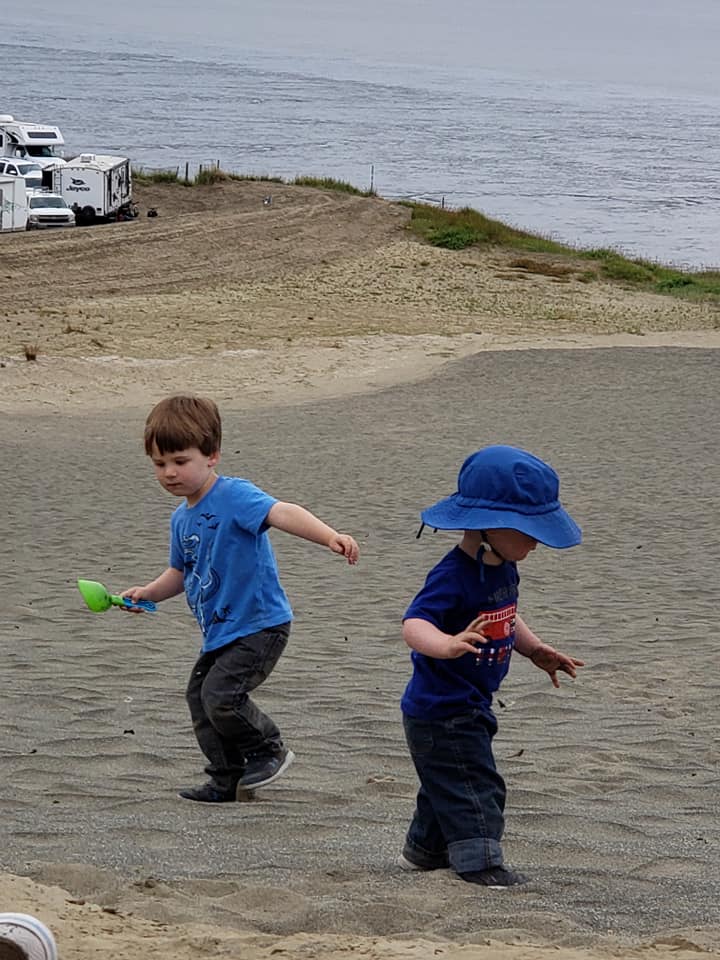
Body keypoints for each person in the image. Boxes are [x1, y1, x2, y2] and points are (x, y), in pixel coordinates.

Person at [122, 394, 359, 803]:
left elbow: (282, 512)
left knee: (222, 696)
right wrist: (148, 593)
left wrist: (329, 537)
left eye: (180, 461)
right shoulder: (181, 518)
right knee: (200, 699)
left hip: (260, 623)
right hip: (220, 631)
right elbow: (181, 572)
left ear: (212, 455)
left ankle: (268, 748)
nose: (169, 473)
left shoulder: (234, 496)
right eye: (159, 464)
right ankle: (226, 777)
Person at [399, 445, 583, 887]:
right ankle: (480, 862)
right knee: (478, 785)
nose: (536, 541)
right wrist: (445, 644)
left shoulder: (502, 567)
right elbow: (414, 622)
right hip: (441, 708)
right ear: (488, 526)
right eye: (528, 530)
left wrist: (534, 649)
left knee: (447, 781)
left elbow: (507, 614)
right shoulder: (454, 574)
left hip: (472, 701)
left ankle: (423, 852)